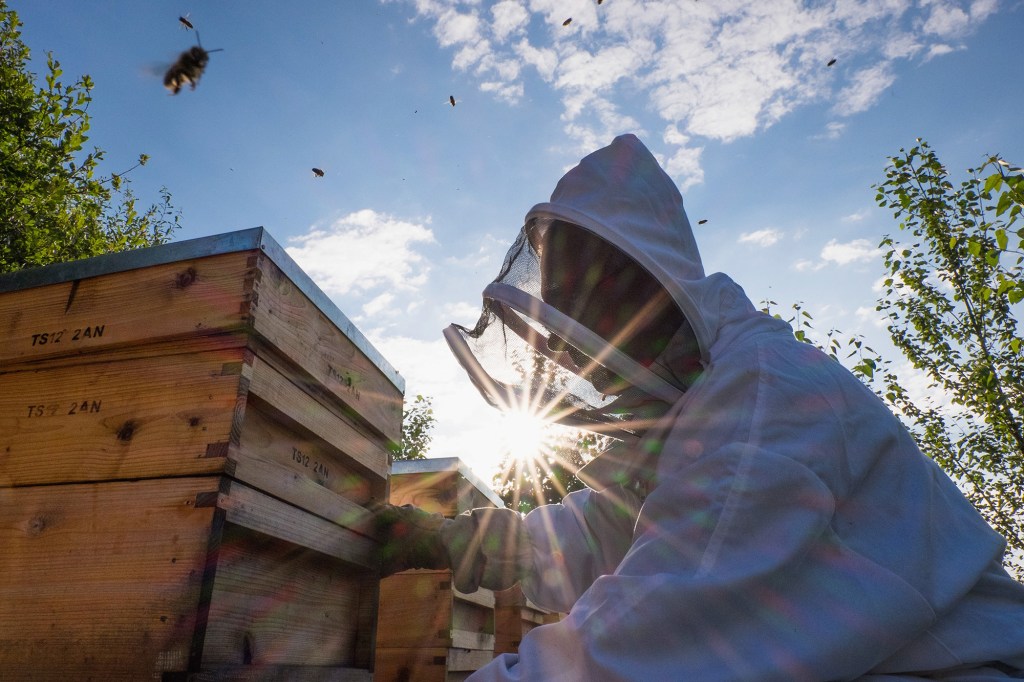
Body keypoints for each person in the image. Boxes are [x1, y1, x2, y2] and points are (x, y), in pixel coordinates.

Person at [372, 134, 1024, 680]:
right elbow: (608, 527)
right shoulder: (698, 404)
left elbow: (637, 652)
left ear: (646, 299)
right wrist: (474, 539)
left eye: (586, 325)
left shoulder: (763, 405)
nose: (575, 362)